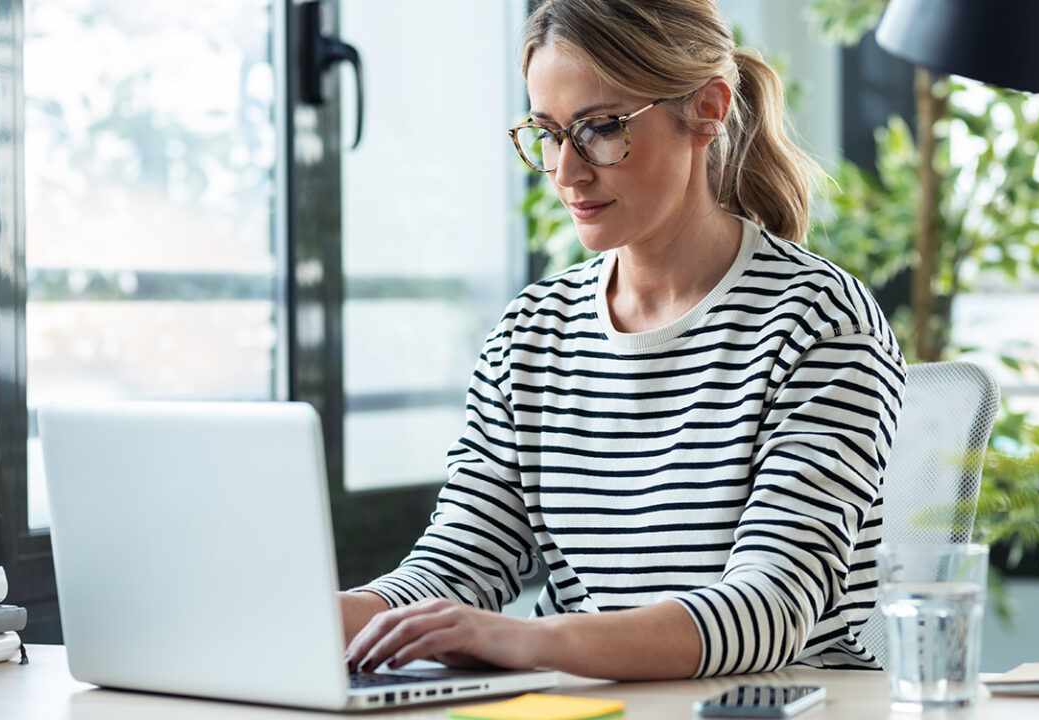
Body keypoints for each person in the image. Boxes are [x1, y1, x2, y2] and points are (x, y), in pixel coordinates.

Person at [339, 0, 905, 681]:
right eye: (547, 133)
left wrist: (534, 640)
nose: (566, 172)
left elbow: (771, 606)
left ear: (707, 110)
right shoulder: (531, 334)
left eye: (601, 129)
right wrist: (296, 616)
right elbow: (457, 568)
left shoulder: (819, 322)